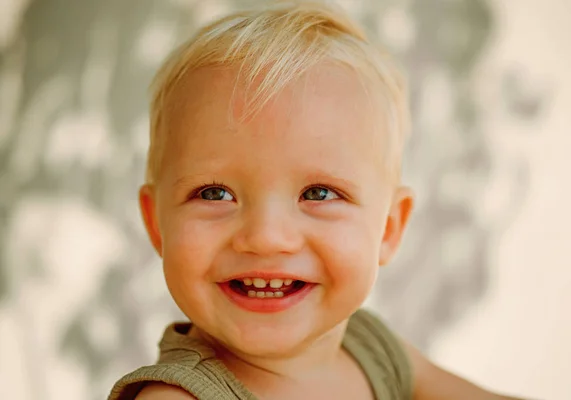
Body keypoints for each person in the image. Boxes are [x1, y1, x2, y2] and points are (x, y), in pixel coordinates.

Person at [109, 1, 525, 399]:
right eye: (215, 193)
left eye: (318, 193)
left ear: (388, 228)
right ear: (157, 223)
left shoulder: (372, 350)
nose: (267, 237)